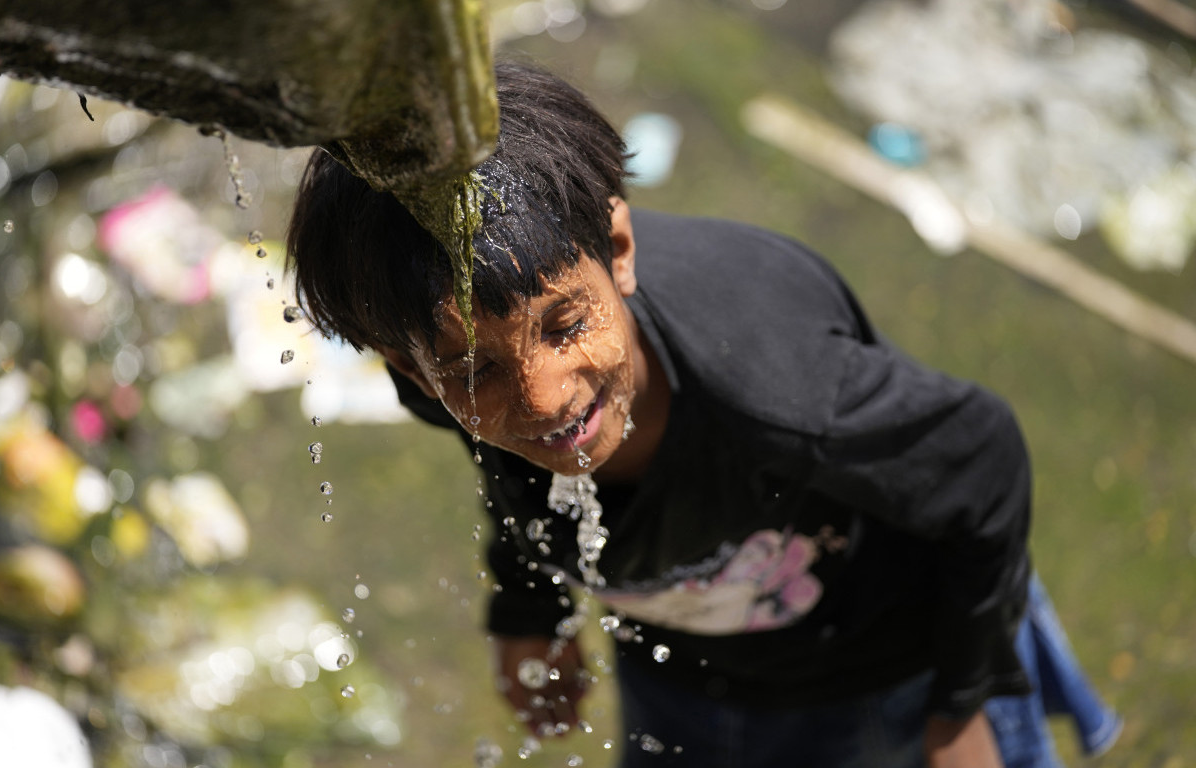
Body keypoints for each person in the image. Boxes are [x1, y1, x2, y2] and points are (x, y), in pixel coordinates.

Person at [287, 60, 1115, 767]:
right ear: (413, 370)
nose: (545, 399)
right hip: (679, 666)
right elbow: (510, 483)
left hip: (874, 666)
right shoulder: (449, 391)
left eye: (566, 325)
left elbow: (983, 460)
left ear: (618, 252)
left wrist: (962, 704)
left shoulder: (780, 398)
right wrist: (527, 611)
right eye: (478, 370)